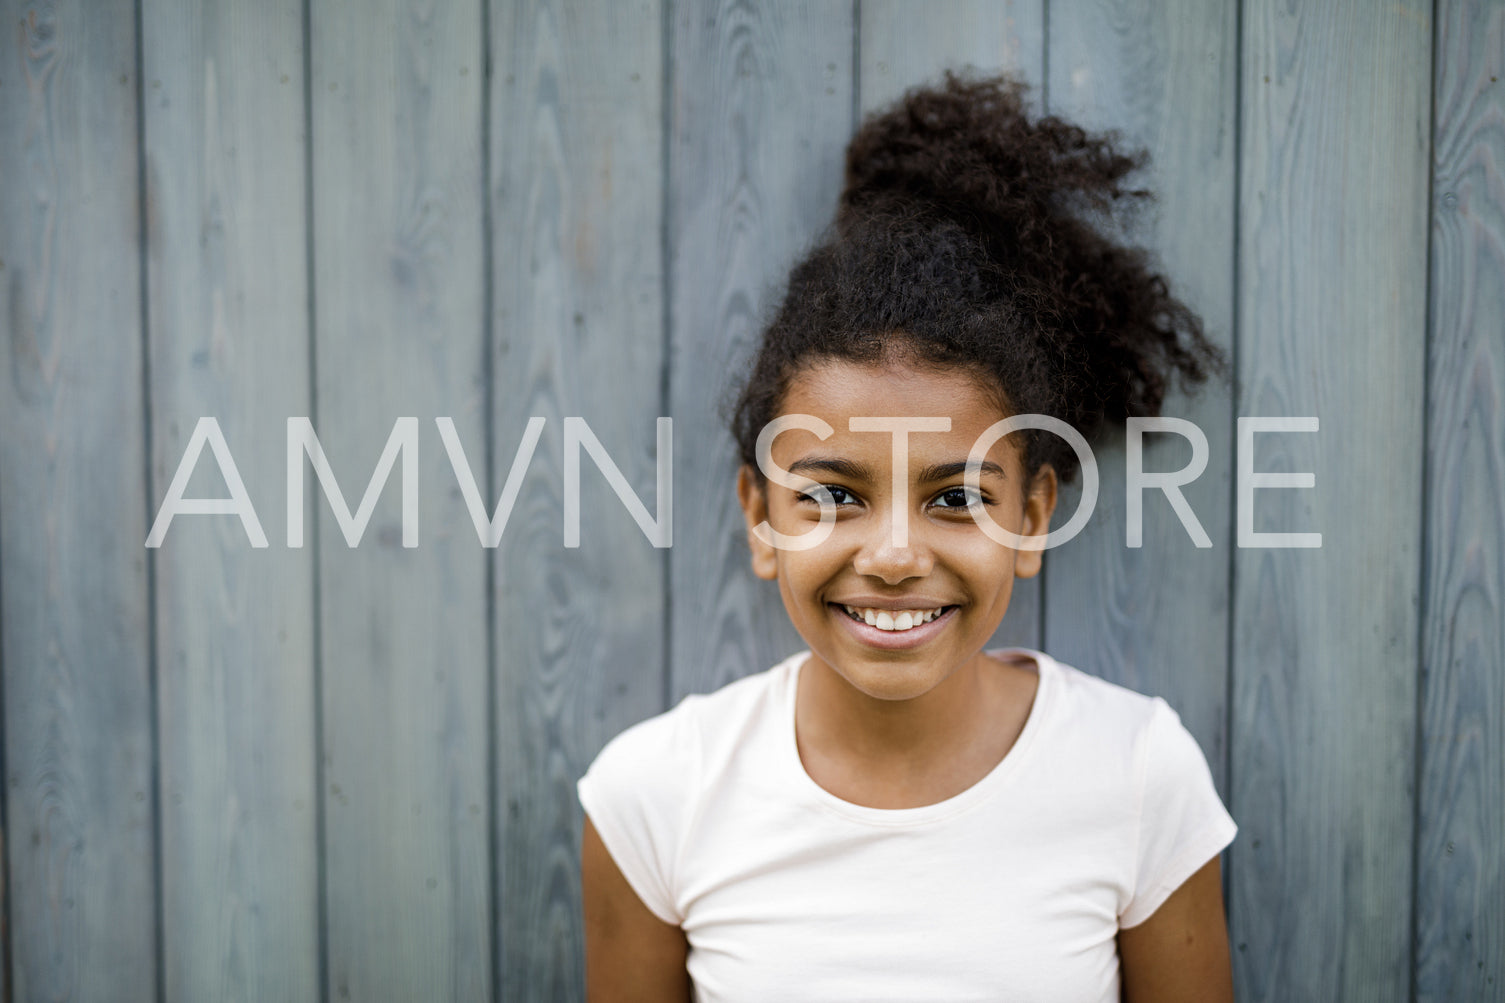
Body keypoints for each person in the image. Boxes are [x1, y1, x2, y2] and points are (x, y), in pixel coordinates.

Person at [578, 71, 1237, 1002]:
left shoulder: (1136, 775)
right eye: (834, 495)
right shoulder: (653, 794)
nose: (891, 556)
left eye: (956, 497)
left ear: (1033, 515)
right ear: (760, 518)